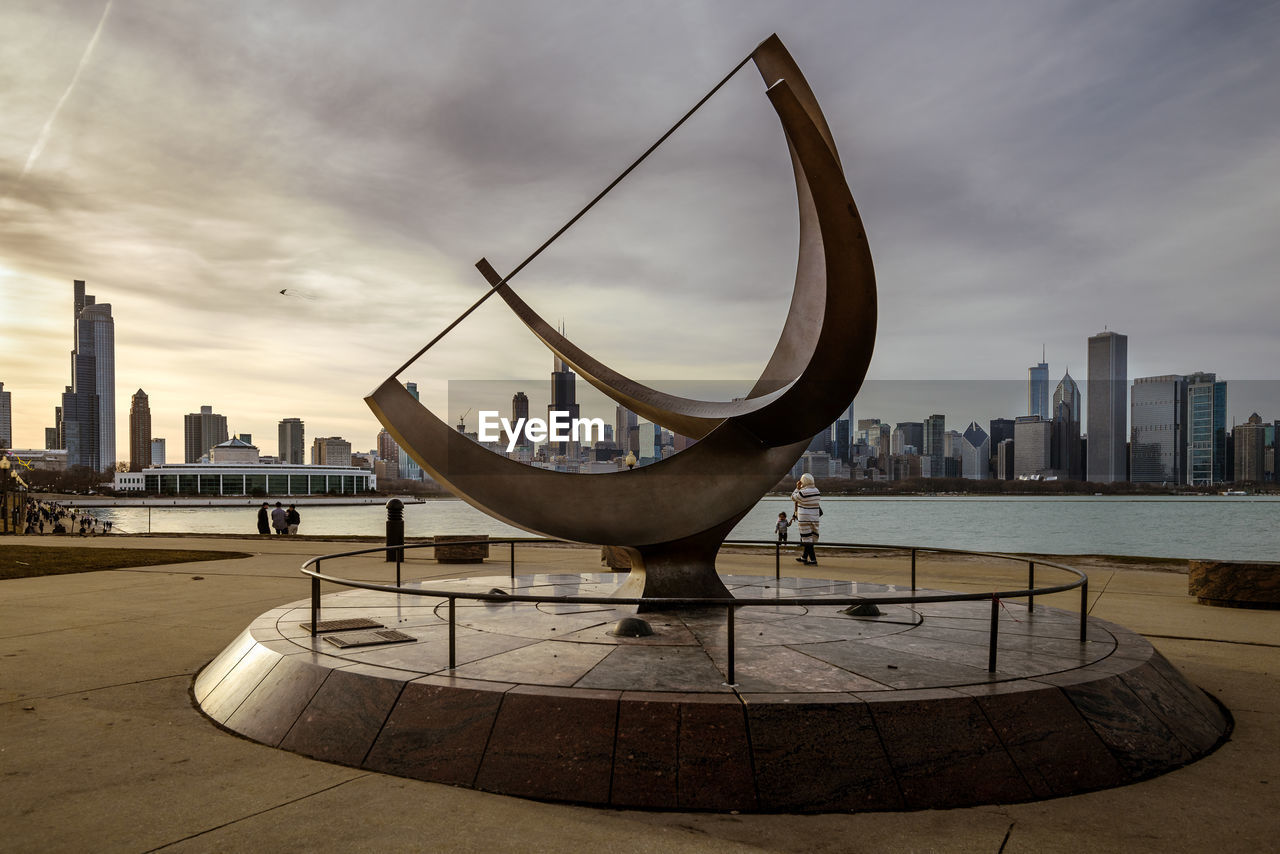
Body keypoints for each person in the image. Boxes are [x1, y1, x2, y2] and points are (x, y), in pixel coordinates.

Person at [790, 472, 821, 565]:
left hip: (804, 518)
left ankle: (813, 560)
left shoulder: (802, 492)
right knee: (810, 538)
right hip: (815, 517)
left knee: (807, 539)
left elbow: (793, 497)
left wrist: (797, 487)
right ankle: (804, 557)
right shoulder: (817, 491)